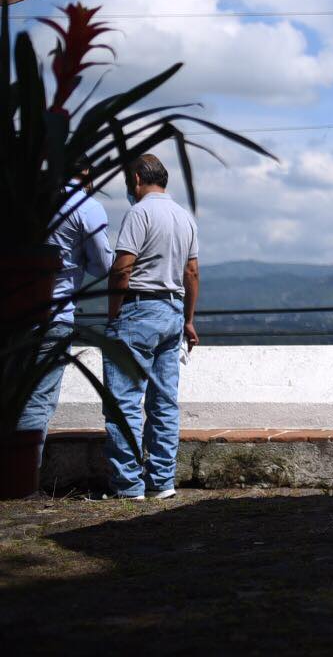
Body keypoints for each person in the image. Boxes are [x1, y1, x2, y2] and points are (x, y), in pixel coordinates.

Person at [100, 154, 200, 501]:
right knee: (164, 402)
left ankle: (128, 485)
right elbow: (191, 273)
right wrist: (188, 319)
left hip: (138, 310)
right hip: (172, 312)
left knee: (124, 401)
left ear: (139, 178)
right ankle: (162, 481)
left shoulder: (139, 213)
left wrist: (114, 314)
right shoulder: (184, 218)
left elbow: (122, 268)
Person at [15, 165, 114, 469]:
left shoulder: (25, 200)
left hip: (14, 313)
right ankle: (23, 475)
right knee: (39, 400)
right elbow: (103, 264)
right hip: (55, 314)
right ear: (85, 171)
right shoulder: (86, 206)